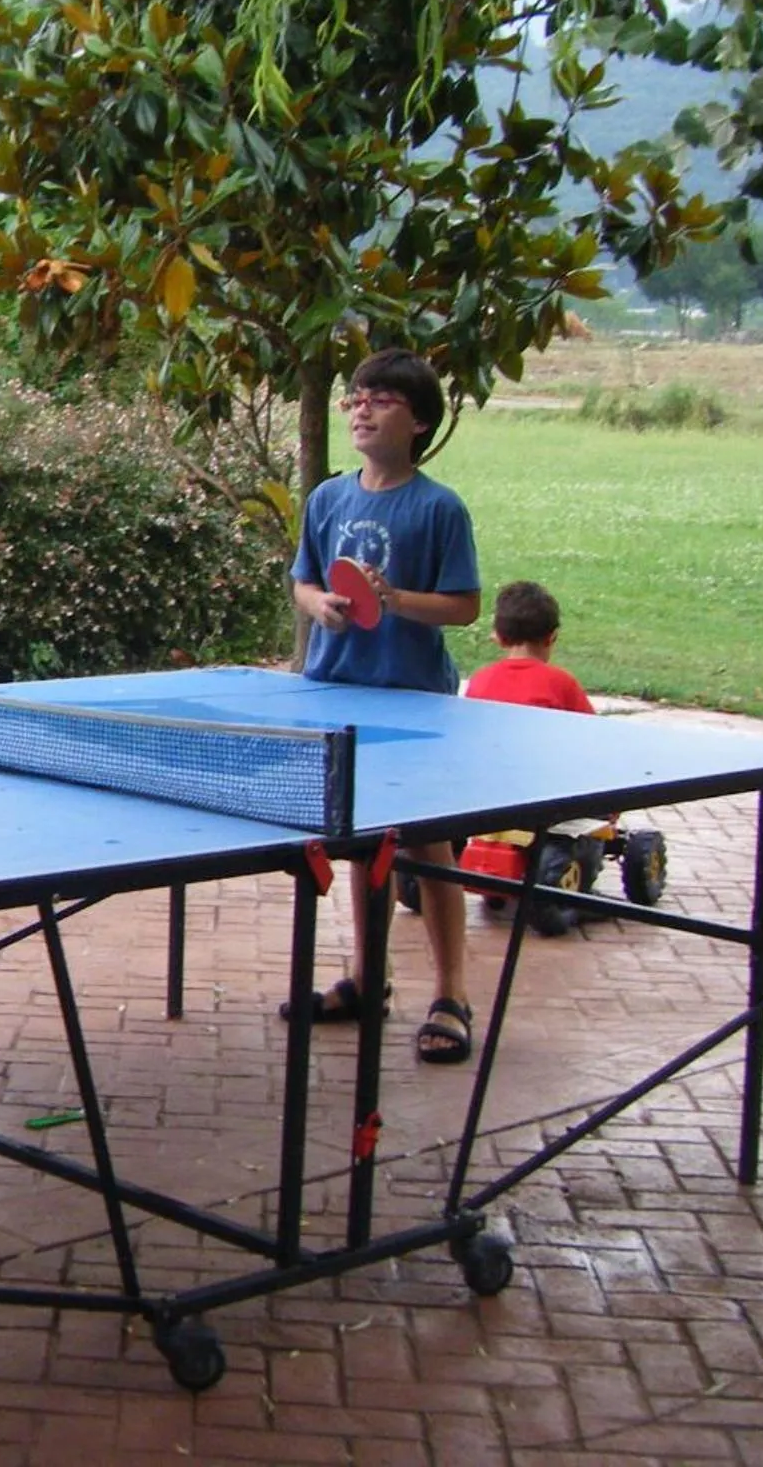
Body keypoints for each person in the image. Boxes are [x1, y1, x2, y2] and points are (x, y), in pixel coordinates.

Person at [287, 348, 483, 1065]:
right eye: (356, 397)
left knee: (429, 847)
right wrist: (321, 606)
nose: (361, 408)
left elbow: (464, 606)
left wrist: (393, 600)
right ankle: (370, 981)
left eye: (382, 399)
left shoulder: (438, 507)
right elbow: (303, 582)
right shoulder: (327, 499)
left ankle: (453, 995)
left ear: (419, 421)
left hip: (412, 701)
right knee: (365, 843)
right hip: (336, 692)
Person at [465, 581, 594, 716]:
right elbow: (592, 725)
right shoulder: (562, 684)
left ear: (498, 638)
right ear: (552, 637)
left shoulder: (480, 681)